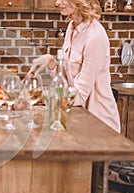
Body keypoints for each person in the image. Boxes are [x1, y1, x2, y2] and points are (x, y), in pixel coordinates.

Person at [27, 0, 120, 133]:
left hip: (99, 124)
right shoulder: (72, 27)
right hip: (78, 118)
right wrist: (51, 61)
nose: (57, 3)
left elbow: (79, 96)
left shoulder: (95, 36)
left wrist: (41, 97)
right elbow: (66, 79)